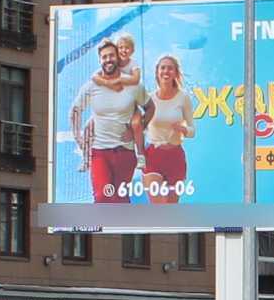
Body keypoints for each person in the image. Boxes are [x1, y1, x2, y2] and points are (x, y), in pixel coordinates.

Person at [70, 33, 146, 202]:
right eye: (104, 57)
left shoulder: (133, 85)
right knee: (102, 196)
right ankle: (101, 227)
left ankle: (124, 228)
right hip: (100, 152)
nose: (108, 59)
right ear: (100, 60)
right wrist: (78, 138)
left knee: (121, 200)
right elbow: (75, 111)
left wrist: (138, 129)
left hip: (125, 152)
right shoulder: (92, 86)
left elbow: (150, 108)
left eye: (111, 55)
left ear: (118, 57)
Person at [137, 53, 196, 203]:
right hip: (153, 156)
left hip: (175, 157)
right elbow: (138, 126)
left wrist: (183, 130)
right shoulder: (149, 99)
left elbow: (192, 131)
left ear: (176, 73)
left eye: (170, 68)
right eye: (163, 68)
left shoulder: (183, 98)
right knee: (159, 205)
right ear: (157, 72)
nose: (166, 71)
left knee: (170, 207)